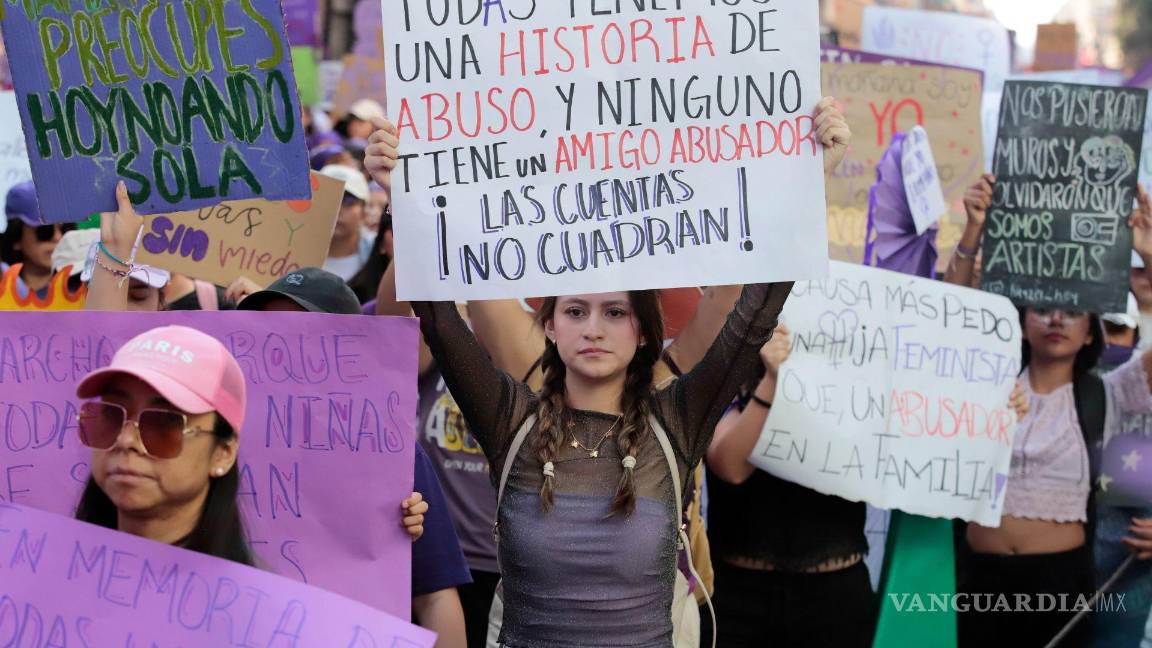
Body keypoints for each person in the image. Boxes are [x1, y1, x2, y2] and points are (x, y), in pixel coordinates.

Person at [363, 96, 849, 647]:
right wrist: (399, 193)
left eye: (615, 312)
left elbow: (755, 310)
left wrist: (810, 183)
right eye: (575, 311)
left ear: (643, 331)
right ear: (550, 327)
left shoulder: (678, 420)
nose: (593, 328)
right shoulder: (508, 419)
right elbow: (437, 314)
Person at [947, 180, 1152, 647]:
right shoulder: (979, 384)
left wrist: (1149, 256)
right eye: (1042, 307)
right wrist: (973, 230)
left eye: (1072, 311)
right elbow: (945, 317)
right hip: (978, 583)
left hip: (1061, 585)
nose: (1056, 318)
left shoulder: (1109, 395)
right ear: (1022, 324)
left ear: (1089, 334)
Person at [236, 268, 470, 648]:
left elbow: (436, 595)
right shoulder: (219, 440)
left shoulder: (392, 455)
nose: (283, 346)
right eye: (271, 328)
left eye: (305, 334)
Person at [73, 324, 255, 562]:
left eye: (163, 421)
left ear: (224, 453)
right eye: (112, 414)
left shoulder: (254, 597)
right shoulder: (41, 578)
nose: (126, 440)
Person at [2, 181, 73, 299]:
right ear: (16, 238)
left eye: (65, 229)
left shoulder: (86, 293)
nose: (58, 238)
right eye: (45, 231)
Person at [319, 164, 375, 281]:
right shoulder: (290, 255)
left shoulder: (379, 256)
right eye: (328, 198)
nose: (337, 208)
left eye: (348, 201)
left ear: (364, 212)